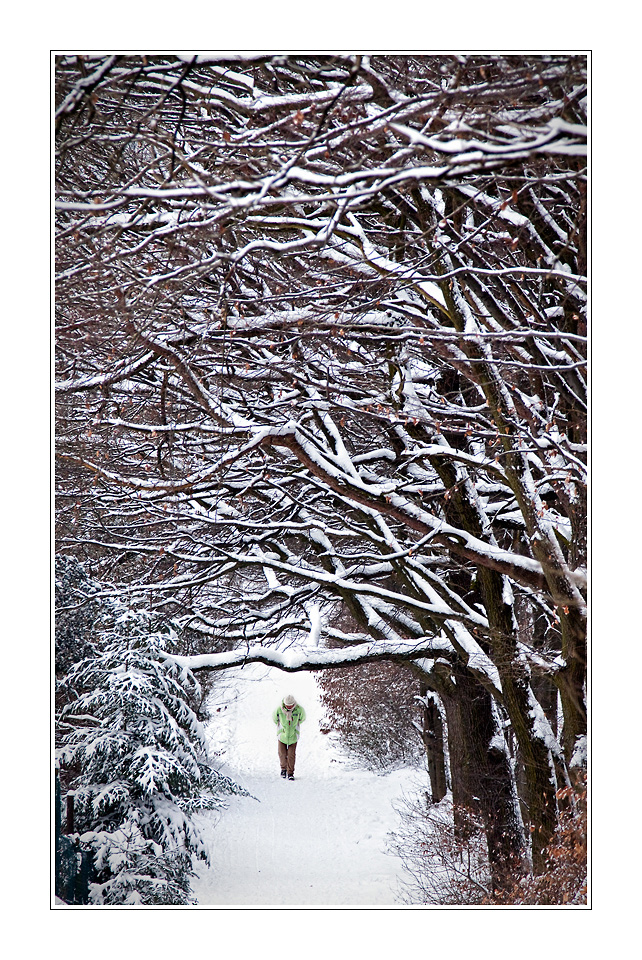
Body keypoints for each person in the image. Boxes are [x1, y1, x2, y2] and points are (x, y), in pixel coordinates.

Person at [273, 694, 306, 780]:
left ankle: (290, 772)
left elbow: (302, 718)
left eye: (290, 705)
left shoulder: (299, 710)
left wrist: (296, 729)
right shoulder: (279, 709)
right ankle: (283, 769)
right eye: (287, 705)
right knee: (282, 754)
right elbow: (274, 718)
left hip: (293, 737)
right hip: (282, 736)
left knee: (291, 755)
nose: (289, 707)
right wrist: (280, 730)